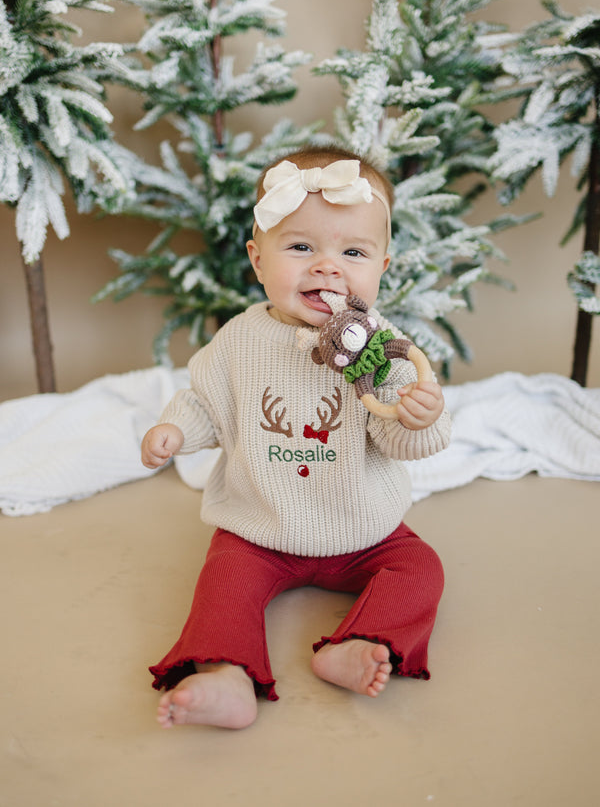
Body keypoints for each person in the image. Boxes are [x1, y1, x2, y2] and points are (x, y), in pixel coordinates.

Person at [141, 145, 451, 730]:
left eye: (353, 252)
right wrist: (175, 429)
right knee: (223, 578)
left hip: (363, 529)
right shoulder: (240, 341)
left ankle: (356, 644)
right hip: (259, 526)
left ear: (382, 267)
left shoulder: (380, 346)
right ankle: (227, 674)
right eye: (301, 247)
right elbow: (209, 403)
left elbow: (400, 438)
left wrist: (417, 417)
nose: (328, 268)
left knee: (421, 567)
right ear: (258, 260)